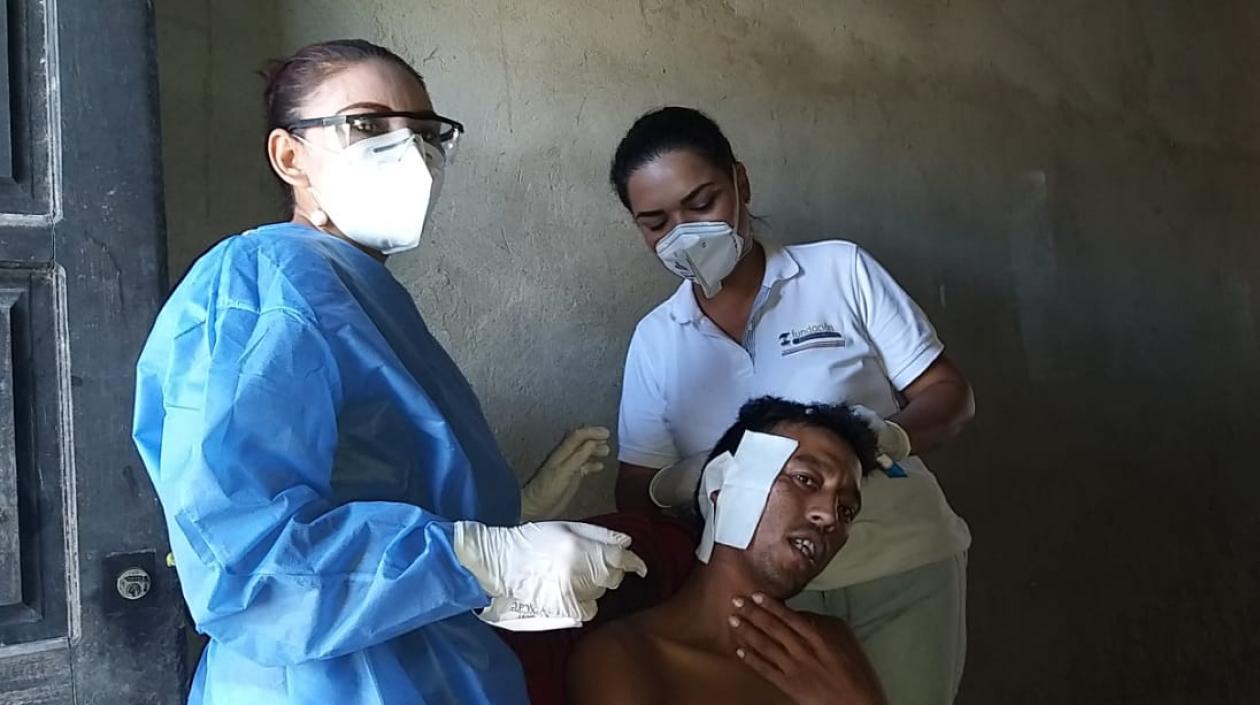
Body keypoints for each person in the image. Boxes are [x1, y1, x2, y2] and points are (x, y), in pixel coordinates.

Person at [132, 39, 645, 705]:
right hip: (322, 682)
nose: (411, 154)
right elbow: (249, 566)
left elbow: (386, 484)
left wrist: (508, 515)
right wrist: (482, 557)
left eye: (426, 133)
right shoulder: (259, 284)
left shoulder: (358, 292)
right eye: (368, 125)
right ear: (291, 156)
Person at [609, 106, 975, 705]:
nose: (683, 234)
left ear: (740, 184)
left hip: (900, 564)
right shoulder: (657, 338)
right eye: (655, 222)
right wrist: (694, 489)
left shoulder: (839, 271)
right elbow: (636, 488)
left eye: (702, 203)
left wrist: (884, 439)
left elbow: (950, 395)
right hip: (766, 596)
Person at [569, 397, 888, 705]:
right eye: (805, 479)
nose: (830, 517)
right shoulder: (627, 657)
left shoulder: (828, 646)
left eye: (846, 510)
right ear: (722, 489)